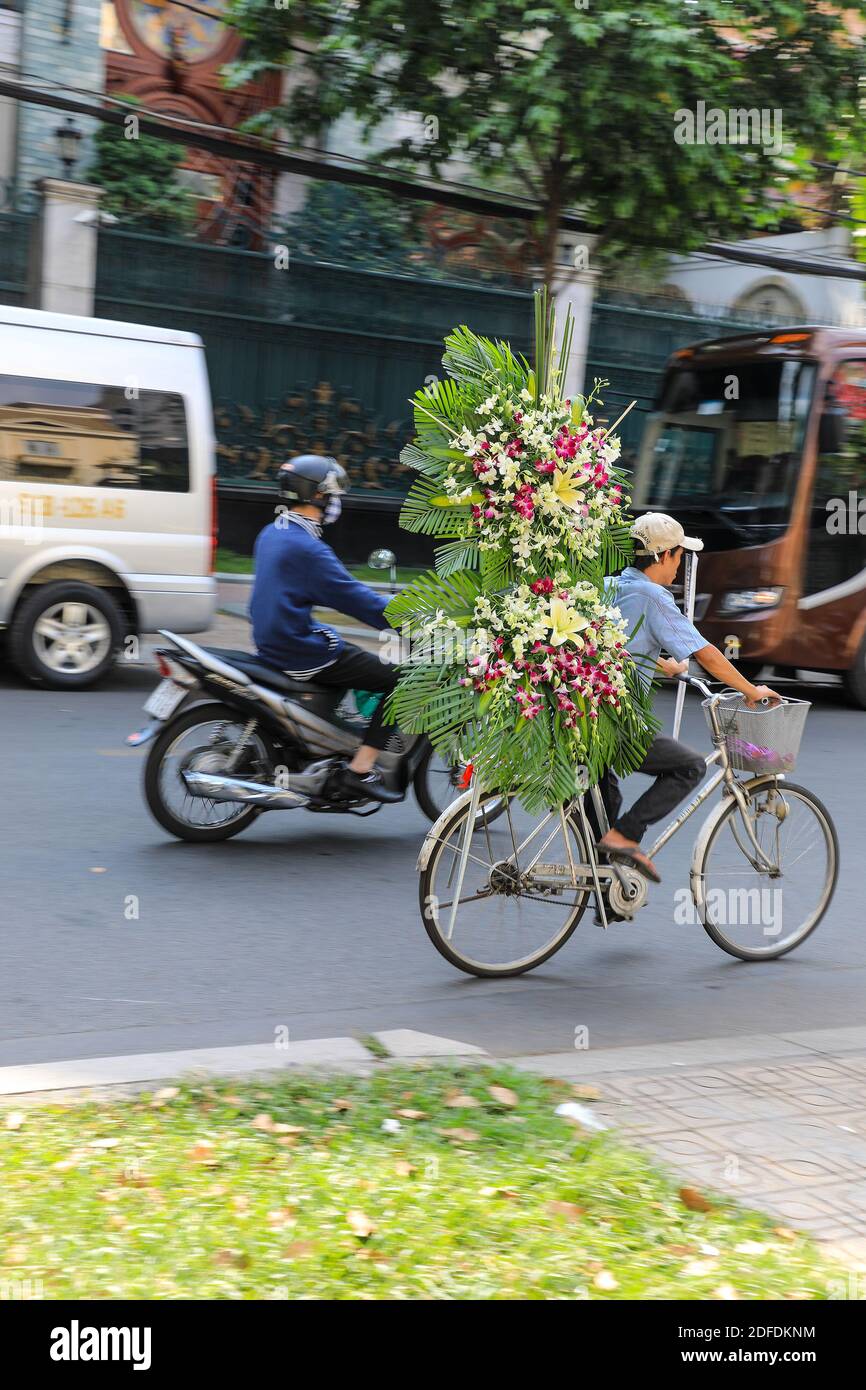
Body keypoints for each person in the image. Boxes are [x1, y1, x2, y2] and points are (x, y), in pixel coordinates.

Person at [596, 512, 781, 883]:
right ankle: (626, 836)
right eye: (679, 556)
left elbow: (614, 642)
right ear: (663, 555)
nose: (679, 567)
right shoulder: (654, 596)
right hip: (615, 721)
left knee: (604, 803)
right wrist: (751, 690)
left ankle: (607, 889)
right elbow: (707, 654)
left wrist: (660, 662)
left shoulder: (609, 586)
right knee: (690, 766)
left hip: (586, 716)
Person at [249, 454, 401, 804]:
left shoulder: (272, 533)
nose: (337, 502)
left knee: (354, 656)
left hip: (272, 642)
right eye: (333, 495)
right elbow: (357, 600)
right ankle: (359, 772)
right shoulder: (308, 549)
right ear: (317, 496)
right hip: (300, 650)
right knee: (400, 682)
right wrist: (409, 621)